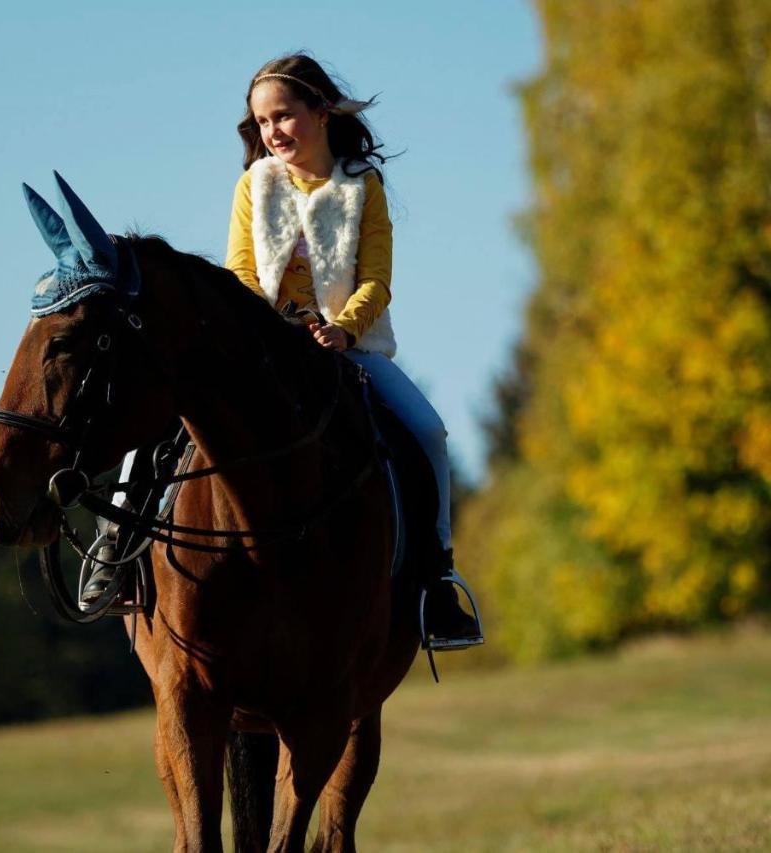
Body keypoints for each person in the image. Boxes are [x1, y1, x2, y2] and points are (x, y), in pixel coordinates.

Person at [85, 54, 481, 650]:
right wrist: (271, 330)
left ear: (321, 112)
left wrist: (342, 330)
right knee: (159, 415)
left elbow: (376, 279)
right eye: (262, 122)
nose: (272, 131)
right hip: (254, 351)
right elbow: (240, 272)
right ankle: (112, 554)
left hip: (349, 349)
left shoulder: (362, 187)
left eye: (284, 115)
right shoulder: (254, 185)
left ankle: (434, 582)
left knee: (428, 433)